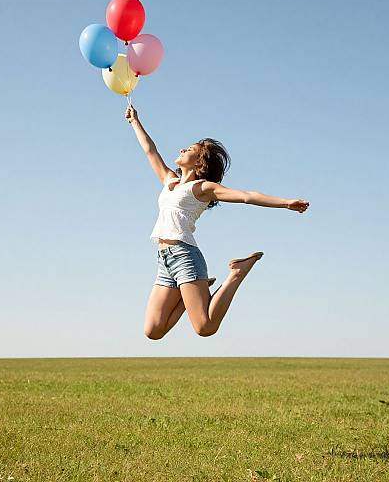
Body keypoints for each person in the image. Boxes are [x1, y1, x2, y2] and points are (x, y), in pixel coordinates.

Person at [125, 104, 309, 340]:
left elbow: (246, 196)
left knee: (205, 327)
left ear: (199, 161)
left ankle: (236, 273)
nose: (182, 149)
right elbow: (151, 151)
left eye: (189, 149)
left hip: (184, 256)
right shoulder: (170, 181)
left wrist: (285, 203)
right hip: (164, 259)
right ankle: (192, 290)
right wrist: (134, 121)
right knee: (153, 330)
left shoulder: (203, 188)